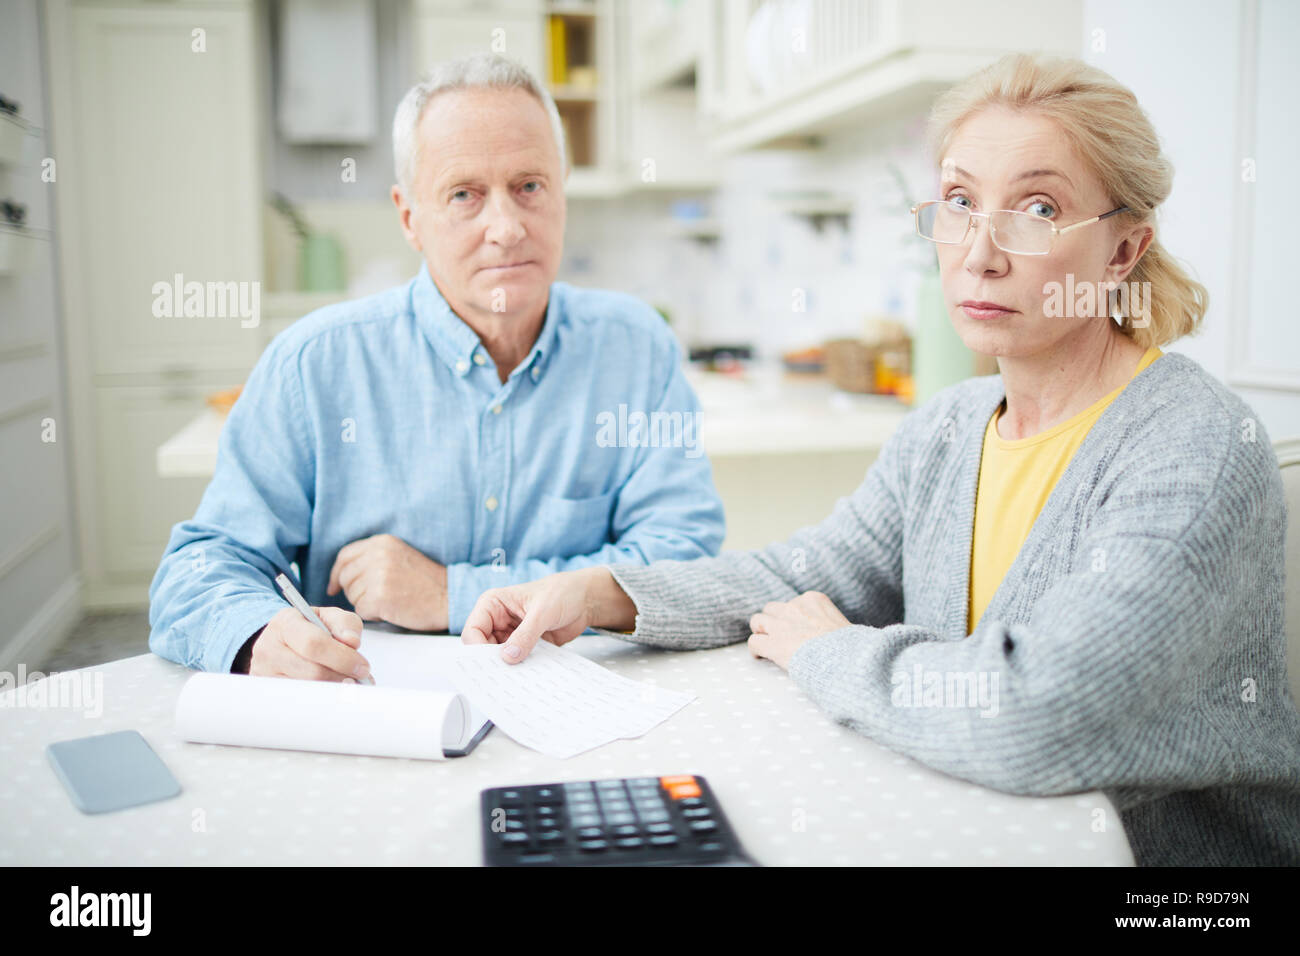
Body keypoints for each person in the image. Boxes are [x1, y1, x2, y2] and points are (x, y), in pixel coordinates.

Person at [461, 53, 1300, 866]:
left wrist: (830, 652)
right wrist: (601, 592)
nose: (980, 250)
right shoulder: (950, 427)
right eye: (961, 202)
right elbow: (806, 574)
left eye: (1037, 210)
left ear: (1121, 253)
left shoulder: (1193, 447)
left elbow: (1040, 713)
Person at [148, 53, 724, 679]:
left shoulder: (637, 348)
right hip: (373, 722)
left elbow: (683, 561)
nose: (505, 227)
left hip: (582, 713)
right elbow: (199, 570)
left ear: (562, 192)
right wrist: (259, 636)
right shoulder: (313, 364)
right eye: (464, 195)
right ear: (408, 218)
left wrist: (449, 591)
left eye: (529, 186)